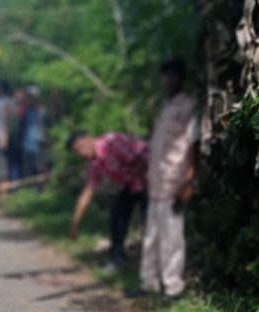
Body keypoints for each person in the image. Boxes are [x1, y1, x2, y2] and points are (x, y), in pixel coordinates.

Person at [139, 57, 199, 297]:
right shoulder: (164, 107)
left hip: (175, 182)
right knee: (151, 236)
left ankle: (173, 286)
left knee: (172, 238)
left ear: (181, 78)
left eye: (173, 75)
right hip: (156, 181)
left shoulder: (189, 106)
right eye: (165, 76)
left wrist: (189, 180)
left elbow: (193, 144)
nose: (168, 80)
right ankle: (148, 283)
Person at [67, 130, 149, 269]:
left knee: (151, 221)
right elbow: (87, 194)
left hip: (149, 178)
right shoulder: (94, 164)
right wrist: (75, 226)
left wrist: (149, 189)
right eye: (77, 152)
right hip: (130, 183)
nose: (82, 153)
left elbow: (139, 161)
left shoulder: (111, 142)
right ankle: (117, 258)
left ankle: (155, 264)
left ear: (90, 139)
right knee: (117, 217)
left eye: (81, 147)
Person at [22, 86, 45, 179]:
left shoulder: (42, 111)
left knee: (40, 165)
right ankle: (33, 188)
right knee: (30, 166)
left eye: (32, 97)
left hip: (40, 141)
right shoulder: (27, 111)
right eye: (29, 97)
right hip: (28, 142)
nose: (30, 99)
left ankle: (42, 188)